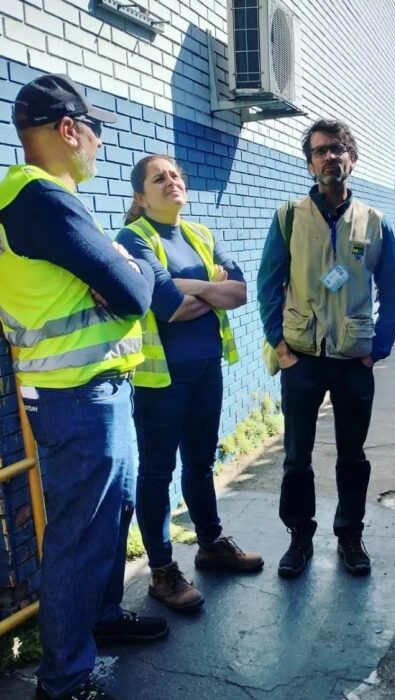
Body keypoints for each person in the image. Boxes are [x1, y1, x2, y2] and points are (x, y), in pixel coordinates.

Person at [0, 73, 166, 700]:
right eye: (94, 130)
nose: (99, 142)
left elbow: (119, 287)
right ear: (69, 130)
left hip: (95, 390)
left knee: (111, 513)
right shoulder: (39, 198)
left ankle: (100, 616)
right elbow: (133, 294)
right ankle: (64, 680)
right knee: (77, 534)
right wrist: (136, 263)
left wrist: (122, 268)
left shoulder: (47, 198)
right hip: (74, 396)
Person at [258, 118, 395, 579]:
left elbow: (394, 294)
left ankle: (350, 536)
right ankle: (299, 537)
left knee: (352, 456)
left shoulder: (375, 222)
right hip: (301, 356)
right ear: (310, 163)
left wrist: (377, 349)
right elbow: (268, 286)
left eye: (337, 148)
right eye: (320, 151)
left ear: (351, 159)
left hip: (352, 359)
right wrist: (280, 346)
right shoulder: (289, 217)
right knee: (296, 457)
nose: (329, 157)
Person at [116, 155, 263, 613]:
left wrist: (188, 286)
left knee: (200, 463)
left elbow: (240, 292)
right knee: (157, 473)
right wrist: (208, 287)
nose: (171, 181)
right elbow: (168, 307)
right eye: (159, 178)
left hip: (206, 371)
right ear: (141, 197)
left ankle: (211, 545)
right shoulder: (134, 238)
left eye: (176, 174)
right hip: (162, 380)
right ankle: (162, 572)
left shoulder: (200, 234)